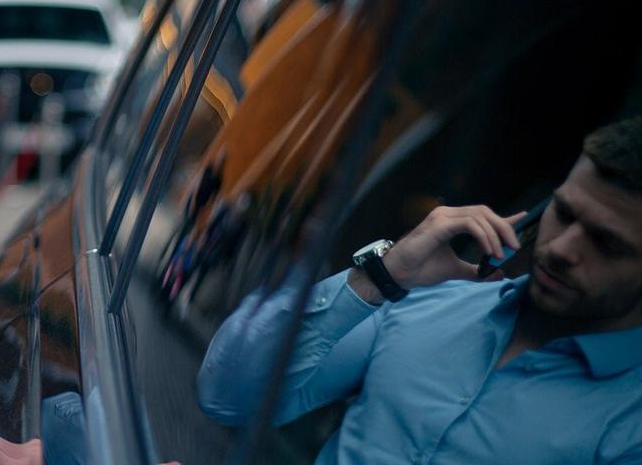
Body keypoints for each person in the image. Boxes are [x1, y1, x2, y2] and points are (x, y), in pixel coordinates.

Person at [197, 118, 642, 464]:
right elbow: (227, 395)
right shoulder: (433, 299)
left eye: (606, 243)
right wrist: (379, 277)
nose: (561, 249)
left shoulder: (630, 425)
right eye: (563, 213)